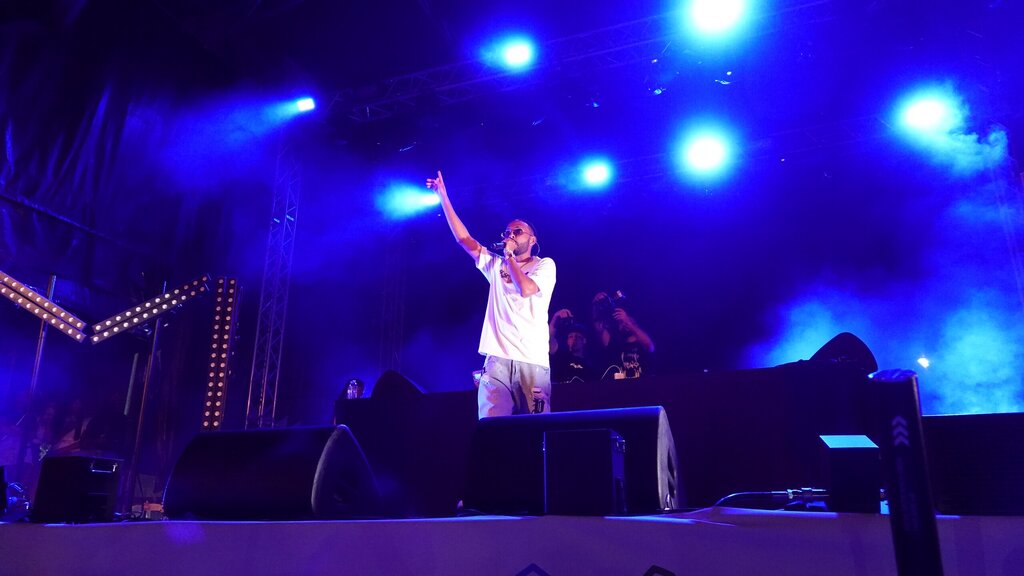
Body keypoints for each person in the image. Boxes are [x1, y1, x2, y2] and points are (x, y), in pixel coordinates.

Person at [427, 170, 556, 418]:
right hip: (497, 361)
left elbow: (526, 289)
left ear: (532, 240)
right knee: (492, 428)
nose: (510, 235)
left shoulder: (544, 265)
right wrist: (443, 196)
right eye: (507, 232)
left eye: (517, 231)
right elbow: (464, 239)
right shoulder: (496, 264)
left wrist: (508, 256)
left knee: (536, 429)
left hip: (532, 361)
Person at [591, 291, 655, 379]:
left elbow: (649, 345)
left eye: (626, 320)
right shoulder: (616, 342)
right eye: (621, 321)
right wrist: (596, 306)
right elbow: (600, 331)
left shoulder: (641, 341)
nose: (623, 323)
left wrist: (628, 322)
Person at [548, 309, 594, 383]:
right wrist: (555, 318)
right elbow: (550, 339)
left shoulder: (590, 365)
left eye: (577, 337)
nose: (574, 339)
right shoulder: (562, 356)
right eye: (571, 337)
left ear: (584, 340)